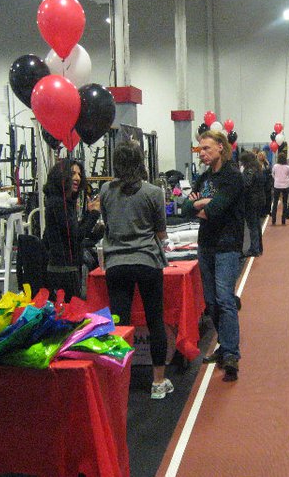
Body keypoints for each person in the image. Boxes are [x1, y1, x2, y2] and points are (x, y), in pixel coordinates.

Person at [99, 141, 173, 399]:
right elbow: (161, 232)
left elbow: (107, 224)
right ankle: (158, 381)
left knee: (119, 324)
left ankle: (119, 382)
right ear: (141, 162)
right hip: (147, 261)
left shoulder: (105, 190)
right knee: (155, 321)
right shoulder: (153, 192)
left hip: (116, 264)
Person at [182, 130, 244, 381]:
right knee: (211, 301)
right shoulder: (204, 178)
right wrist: (200, 203)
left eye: (206, 148)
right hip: (206, 244)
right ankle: (224, 345)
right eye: (200, 150)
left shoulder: (233, 176)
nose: (202, 153)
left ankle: (231, 354)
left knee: (225, 299)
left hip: (227, 245)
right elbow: (185, 208)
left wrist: (200, 204)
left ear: (220, 147)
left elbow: (216, 210)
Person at [43, 159, 100, 301]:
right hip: (63, 272)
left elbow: (73, 230)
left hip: (67, 269)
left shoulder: (64, 202)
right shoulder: (58, 203)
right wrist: (94, 214)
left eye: (79, 174)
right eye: (73, 173)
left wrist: (88, 214)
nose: (77, 178)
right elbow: (76, 236)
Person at [239, 151, 264, 256]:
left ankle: (254, 249)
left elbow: (246, 184)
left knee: (252, 225)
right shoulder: (258, 168)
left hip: (251, 201)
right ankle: (258, 247)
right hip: (259, 199)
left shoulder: (249, 170)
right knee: (257, 225)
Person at [270, 151, 289, 225]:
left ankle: (273, 220)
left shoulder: (275, 166)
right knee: (285, 203)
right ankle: (283, 220)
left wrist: (276, 178)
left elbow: (273, 174)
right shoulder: (287, 167)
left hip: (277, 185)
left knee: (275, 202)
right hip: (285, 186)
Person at [257, 151, 273, 219]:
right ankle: (262, 212)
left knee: (268, 197)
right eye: (260, 155)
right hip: (260, 183)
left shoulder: (267, 162)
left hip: (268, 182)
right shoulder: (257, 164)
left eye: (263, 155)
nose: (262, 157)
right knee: (262, 198)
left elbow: (270, 171)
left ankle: (268, 211)